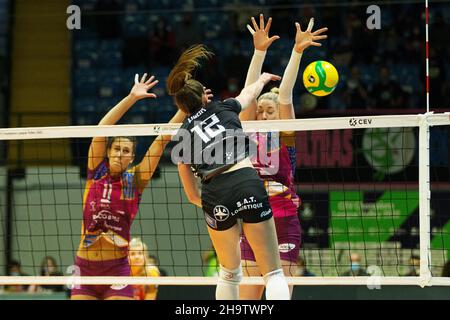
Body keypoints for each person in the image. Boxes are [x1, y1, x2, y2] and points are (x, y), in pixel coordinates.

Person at [168, 44, 290, 300]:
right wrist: (264, 78)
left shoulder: (180, 137)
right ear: (205, 95)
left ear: (181, 105)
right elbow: (249, 93)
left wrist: (214, 203)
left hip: (214, 192)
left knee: (229, 273)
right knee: (273, 273)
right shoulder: (223, 108)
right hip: (245, 180)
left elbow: (191, 194)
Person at [70, 74, 190, 300]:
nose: (119, 154)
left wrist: (185, 107)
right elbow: (101, 128)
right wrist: (131, 97)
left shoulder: (135, 180)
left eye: (126, 152)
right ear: (108, 151)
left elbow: (162, 138)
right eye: (116, 149)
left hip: (117, 268)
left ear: (132, 157)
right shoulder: (96, 171)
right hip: (85, 268)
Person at [238, 14, 327, 299]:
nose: (263, 114)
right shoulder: (248, 131)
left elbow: (286, 94)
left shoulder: (285, 137)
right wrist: (259, 51)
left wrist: (297, 51)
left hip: (284, 223)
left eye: (270, 111)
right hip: (252, 221)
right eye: (261, 110)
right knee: (246, 302)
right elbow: (248, 93)